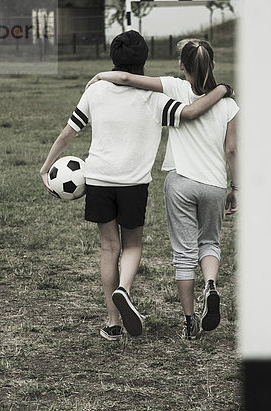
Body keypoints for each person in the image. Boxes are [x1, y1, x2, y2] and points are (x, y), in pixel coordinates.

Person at [40, 32, 232, 341]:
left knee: (108, 249)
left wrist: (47, 166)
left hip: (98, 179)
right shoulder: (157, 98)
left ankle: (113, 323)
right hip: (133, 183)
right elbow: (193, 112)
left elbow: (67, 133)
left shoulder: (95, 90)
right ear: (144, 60)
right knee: (131, 246)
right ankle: (124, 289)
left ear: (113, 59)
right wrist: (223, 89)